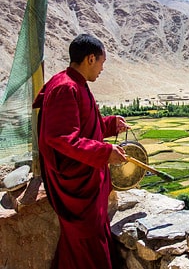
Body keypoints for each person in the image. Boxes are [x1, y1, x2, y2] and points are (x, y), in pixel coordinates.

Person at [32, 34, 129, 269]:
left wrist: (110, 124)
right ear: (90, 58)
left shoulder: (76, 84)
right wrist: (104, 152)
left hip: (87, 183)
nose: (102, 69)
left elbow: (85, 129)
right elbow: (61, 138)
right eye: (102, 63)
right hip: (76, 187)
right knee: (87, 246)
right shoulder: (65, 88)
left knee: (83, 245)